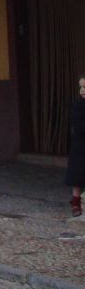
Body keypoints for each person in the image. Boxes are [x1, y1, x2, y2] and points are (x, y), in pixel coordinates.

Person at [67, 74, 85, 217]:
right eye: (81, 87)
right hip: (80, 144)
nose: (82, 90)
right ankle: (75, 203)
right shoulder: (78, 104)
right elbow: (77, 125)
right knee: (78, 175)